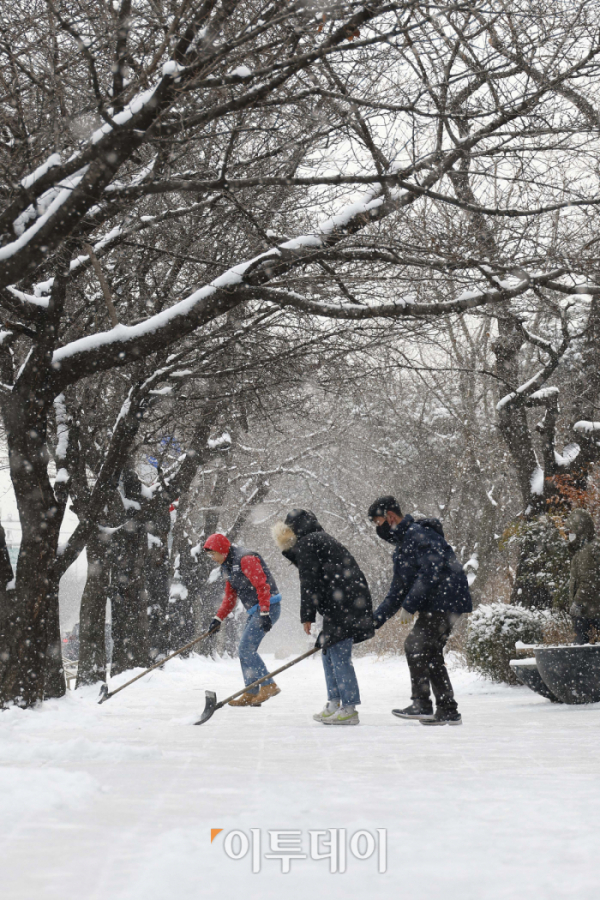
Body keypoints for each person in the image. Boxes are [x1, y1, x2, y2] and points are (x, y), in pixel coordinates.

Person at [368, 495, 472, 726]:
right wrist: (374, 621)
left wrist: (410, 605)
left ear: (390, 517)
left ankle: (422, 704)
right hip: (441, 602)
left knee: (415, 646)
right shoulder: (405, 544)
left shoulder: (417, 535)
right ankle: (447, 710)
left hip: (445, 600)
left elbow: (431, 571)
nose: (378, 529)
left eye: (378, 522)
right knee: (430, 653)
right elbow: (397, 591)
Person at [272, 509, 374, 726]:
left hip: (345, 604)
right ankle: (334, 703)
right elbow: (315, 576)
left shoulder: (310, 542)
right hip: (344, 602)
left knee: (337, 653)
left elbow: (308, 581)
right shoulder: (318, 539)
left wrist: (306, 615)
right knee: (328, 651)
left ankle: (349, 708)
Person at [204, 533, 282, 706]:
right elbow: (230, 598)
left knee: (246, 649)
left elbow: (263, 586)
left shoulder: (245, 559)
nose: (212, 558)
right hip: (256, 610)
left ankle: (268, 685)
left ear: (222, 550)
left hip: (268, 607)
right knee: (244, 650)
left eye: (213, 554)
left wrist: (264, 612)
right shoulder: (227, 566)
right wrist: (218, 618)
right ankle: (251, 692)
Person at [565, 508, 600, 644]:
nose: (569, 535)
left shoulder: (587, 552)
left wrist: (577, 603)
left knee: (580, 654)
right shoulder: (585, 550)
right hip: (591, 611)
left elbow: (589, 582)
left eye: (572, 531)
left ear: (581, 530)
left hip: (588, 614)